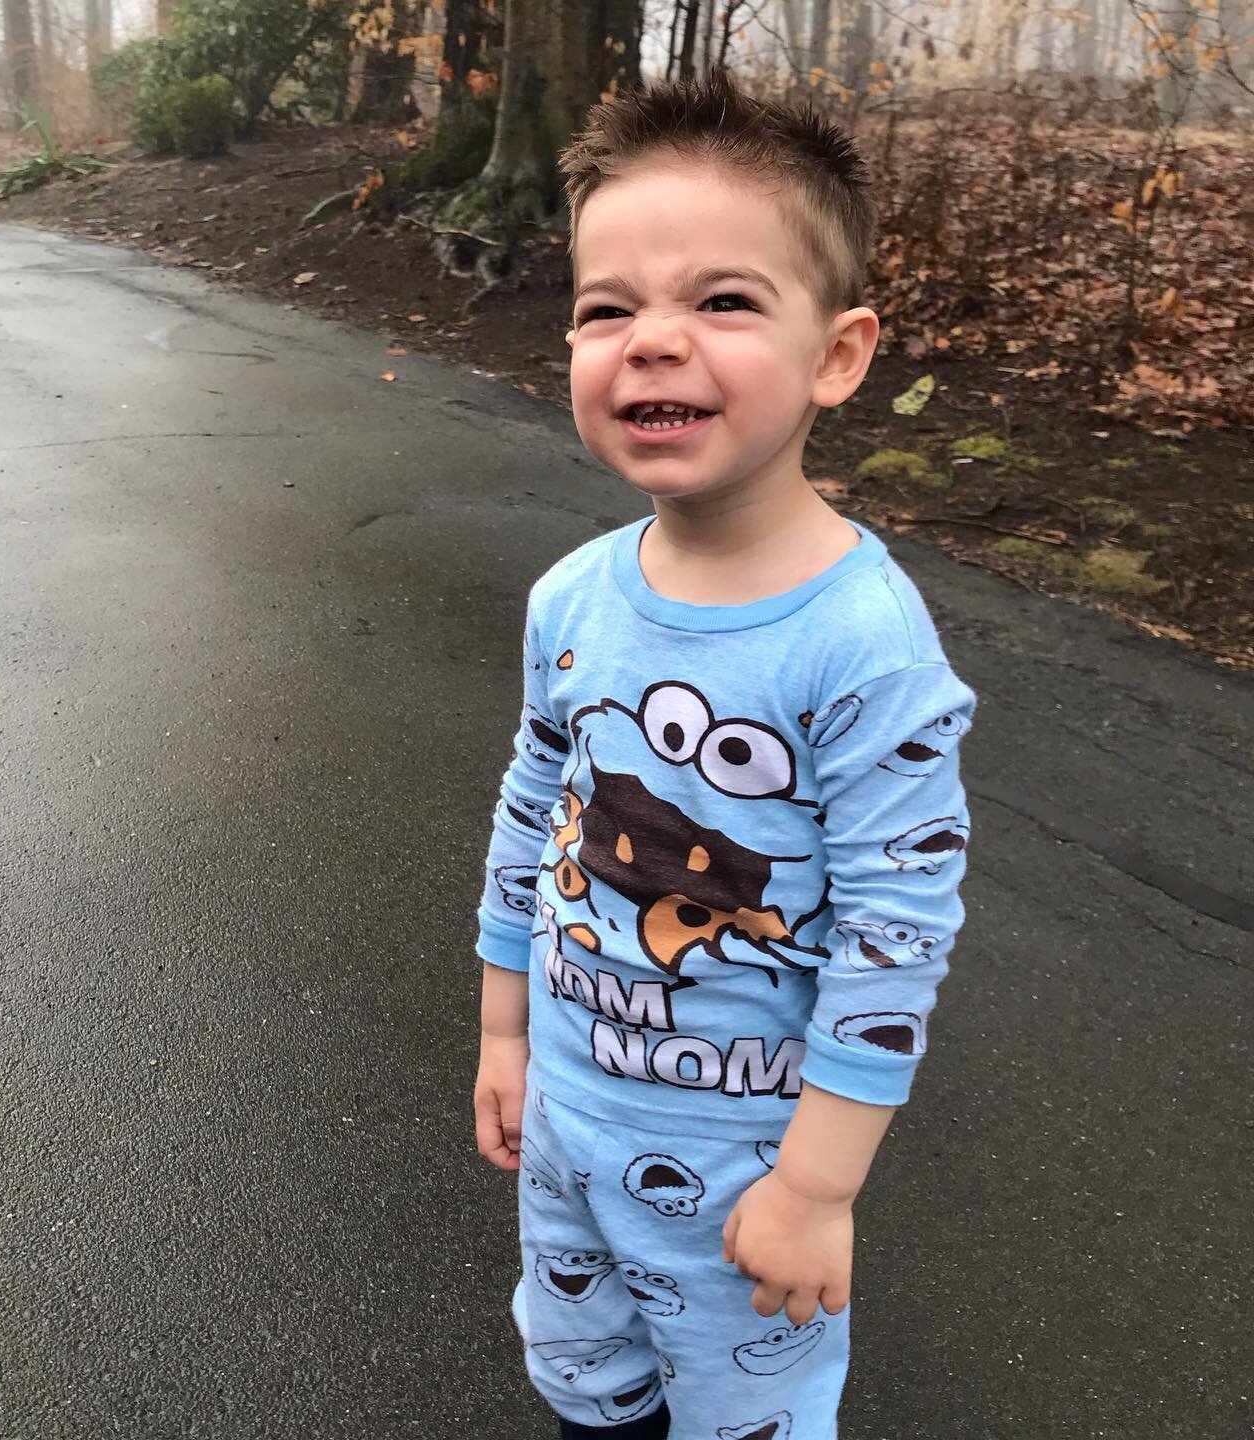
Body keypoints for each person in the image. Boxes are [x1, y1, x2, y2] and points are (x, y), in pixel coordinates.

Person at [474, 71, 976, 1440]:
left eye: (723, 300)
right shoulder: (571, 601)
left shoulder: (862, 643)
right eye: (607, 308)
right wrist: (505, 1027)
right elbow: (536, 820)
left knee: (741, 1417)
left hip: (743, 1168)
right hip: (568, 1132)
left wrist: (816, 1188)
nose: (652, 342)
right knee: (585, 1383)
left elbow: (897, 924)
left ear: (840, 354)